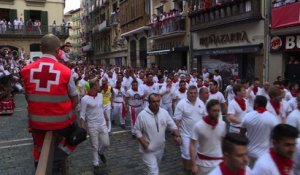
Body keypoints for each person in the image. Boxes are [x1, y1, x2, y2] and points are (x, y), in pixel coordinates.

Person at [21, 34, 83, 174]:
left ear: (41, 49)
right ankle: (57, 159)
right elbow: (74, 98)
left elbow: (28, 97)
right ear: (57, 51)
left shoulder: (26, 71)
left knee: (38, 146)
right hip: (61, 124)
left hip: (36, 123)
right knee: (80, 133)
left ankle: (38, 164)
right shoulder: (66, 72)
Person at [135, 93, 181, 175]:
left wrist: (177, 136)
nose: (156, 103)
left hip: (160, 148)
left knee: (154, 169)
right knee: (154, 172)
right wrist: (145, 145)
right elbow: (137, 131)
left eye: (158, 101)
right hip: (147, 150)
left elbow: (173, 126)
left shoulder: (164, 113)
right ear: (149, 102)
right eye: (153, 101)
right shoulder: (142, 115)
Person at [174, 85, 206, 174]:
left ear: (197, 94)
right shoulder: (181, 103)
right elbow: (177, 120)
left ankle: (194, 169)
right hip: (186, 134)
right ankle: (186, 170)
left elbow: (204, 117)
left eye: (194, 93)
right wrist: (177, 135)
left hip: (199, 135)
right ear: (187, 93)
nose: (193, 95)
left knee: (198, 154)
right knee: (187, 154)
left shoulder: (201, 103)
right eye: (191, 93)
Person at [241, 96, 279, 168]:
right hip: (265, 155)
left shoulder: (247, 116)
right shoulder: (272, 118)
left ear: (256, 104)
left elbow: (241, 134)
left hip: (250, 153)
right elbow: (277, 136)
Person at [80, 79, 110, 173]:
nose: (99, 86)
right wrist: (82, 128)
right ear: (94, 87)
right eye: (98, 85)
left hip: (102, 124)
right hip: (92, 125)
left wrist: (106, 117)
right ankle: (95, 163)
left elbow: (102, 107)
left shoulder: (100, 96)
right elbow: (82, 114)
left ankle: (101, 153)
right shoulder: (85, 99)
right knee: (94, 145)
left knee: (106, 143)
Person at [190, 99, 227, 175]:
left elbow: (223, 142)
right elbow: (192, 145)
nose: (217, 113)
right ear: (208, 111)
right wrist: (193, 165)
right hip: (203, 164)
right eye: (214, 111)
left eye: (218, 111)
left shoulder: (223, 124)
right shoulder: (198, 126)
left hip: (219, 162)